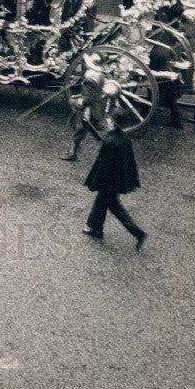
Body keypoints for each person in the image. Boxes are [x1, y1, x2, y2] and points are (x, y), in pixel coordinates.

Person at [82, 108, 147, 250]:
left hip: (108, 182)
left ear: (114, 123)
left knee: (114, 207)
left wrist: (96, 181)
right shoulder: (123, 139)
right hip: (117, 181)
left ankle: (138, 233)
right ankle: (95, 228)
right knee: (102, 203)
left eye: (110, 120)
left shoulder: (111, 141)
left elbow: (105, 165)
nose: (107, 121)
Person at [61, 52, 106, 160]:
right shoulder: (99, 76)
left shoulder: (90, 78)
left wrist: (73, 101)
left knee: (80, 130)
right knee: (90, 132)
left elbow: (87, 99)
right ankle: (73, 152)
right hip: (96, 107)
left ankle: (72, 154)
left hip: (88, 110)